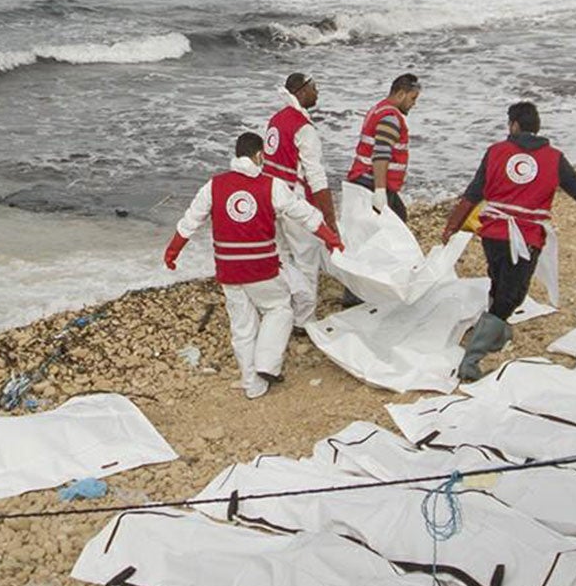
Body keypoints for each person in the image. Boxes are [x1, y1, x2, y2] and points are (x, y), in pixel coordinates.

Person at [439, 100, 576, 381]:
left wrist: (452, 225)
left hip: (492, 233)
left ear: (513, 125)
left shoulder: (495, 152)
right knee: (512, 295)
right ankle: (472, 358)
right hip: (526, 235)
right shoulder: (554, 158)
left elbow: (473, 193)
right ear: (537, 127)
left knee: (500, 281)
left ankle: (495, 332)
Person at [165, 131, 342, 398]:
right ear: (259, 155)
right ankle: (267, 365)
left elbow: (190, 222)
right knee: (279, 309)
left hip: (228, 271)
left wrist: (172, 252)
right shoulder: (271, 186)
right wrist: (331, 239)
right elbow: (304, 214)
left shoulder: (213, 186)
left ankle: (252, 385)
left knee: (242, 327)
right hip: (262, 269)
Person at [264, 72, 336, 328]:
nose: (318, 92)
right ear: (302, 91)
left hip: (270, 196)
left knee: (282, 256)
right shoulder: (303, 128)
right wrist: (329, 218)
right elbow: (315, 176)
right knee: (306, 258)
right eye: (314, 88)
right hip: (292, 199)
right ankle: (304, 320)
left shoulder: (276, 119)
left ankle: (282, 307)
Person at [345, 73, 422, 221]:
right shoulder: (390, 118)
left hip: (363, 179)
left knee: (397, 217)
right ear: (401, 94)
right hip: (372, 182)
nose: (414, 104)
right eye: (413, 98)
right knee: (392, 226)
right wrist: (380, 191)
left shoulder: (378, 110)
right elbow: (381, 154)